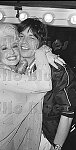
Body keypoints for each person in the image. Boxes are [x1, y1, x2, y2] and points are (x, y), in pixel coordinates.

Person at [0, 23, 54, 150]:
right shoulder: (1, 75)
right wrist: (41, 52)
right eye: (4, 48)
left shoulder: (11, 73)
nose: (12, 52)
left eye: (14, 46)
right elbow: (44, 83)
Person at [17, 18, 76, 150]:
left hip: (48, 136)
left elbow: (68, 112)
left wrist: (57, 145)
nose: (24, 42)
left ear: (40, 42)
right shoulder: (16, 67)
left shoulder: (57, 69)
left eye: (31, 37)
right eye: (21, 36)